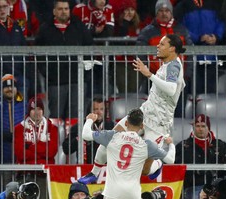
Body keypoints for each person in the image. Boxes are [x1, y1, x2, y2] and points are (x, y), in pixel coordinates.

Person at [78, 34, 185, 185]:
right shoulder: (167, 64)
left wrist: (149, 74)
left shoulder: (175, 65)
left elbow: (172, 89)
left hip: (159, 123)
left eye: (162, 44)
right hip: (144, 112)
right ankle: (94, 173)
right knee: (112, 137)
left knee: (144, 170)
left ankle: (158, 165)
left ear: (172, 48)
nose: (158, 46)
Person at [82, 108, 176, 199]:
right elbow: (170, 159)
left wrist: (89, 120)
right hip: (132, 194)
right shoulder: (147, 144)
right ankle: (158, 165)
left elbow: (86, 135)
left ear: (126, 123)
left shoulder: (112, 136)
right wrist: (170, 144)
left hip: (113, 193)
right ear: (142, 126)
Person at [35, 0, 93, 120]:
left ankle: (74, 139)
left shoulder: (79, 27)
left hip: (78, 80)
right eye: (60, 9)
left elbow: (89, 49)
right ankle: (57, 139)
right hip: (55, 82)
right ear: (54, 11)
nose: (64, 12)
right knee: (56, 117)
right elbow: (38, 54)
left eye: (66, 9)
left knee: (76, 117)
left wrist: (85, 73)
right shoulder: (45, 29)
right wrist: (48, 74)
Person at [175, 114, 226, 199]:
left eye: (203, 126)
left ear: (208, 127)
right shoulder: (183, 146)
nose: (200, 129)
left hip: (216, 185)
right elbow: (176, 167)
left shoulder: (220, 145)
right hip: (192, 186)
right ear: (193, 127)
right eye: (197, 126)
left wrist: (217, 170)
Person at [14, 96, 59, 199]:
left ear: (43, 111)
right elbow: (20, 153)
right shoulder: (19, 129)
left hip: (44, 175)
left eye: (39, 109)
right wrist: (42, 147)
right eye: (33, 109)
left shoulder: (52, 128)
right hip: (25, 174)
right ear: (29, 111)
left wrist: (31, 146)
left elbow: (52, 151)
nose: (37, 112)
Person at [174, 0, 225, 94]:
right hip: (191, 56)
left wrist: (216, 36)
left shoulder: (215, 3)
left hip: (211, 55)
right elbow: (179, 27)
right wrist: (198, 37)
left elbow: (222, 22)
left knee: (210, 91)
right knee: (194, 90)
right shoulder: (183, 5)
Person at [62, 96, 114, 164]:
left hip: (106, 168)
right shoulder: (80, 127)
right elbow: (66, 149)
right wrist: (80, 138)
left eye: (101, 109)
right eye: (95, 109)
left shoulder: (112, 127)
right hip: (85, 167)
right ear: (90, 111)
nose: (99, 112)